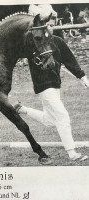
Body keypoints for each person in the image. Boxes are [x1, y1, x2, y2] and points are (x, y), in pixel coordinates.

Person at [15, 4, 89, 161]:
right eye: (48, 25)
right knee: (62, 117)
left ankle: (22, 109)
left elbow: (70, 61)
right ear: (41, 26)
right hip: (43, 86)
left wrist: (83, 78)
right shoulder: (33, 41)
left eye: (53, 26)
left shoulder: (58, 41)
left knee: (50, 120)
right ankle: (72, 153)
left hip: (55, 86)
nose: (51, 29)